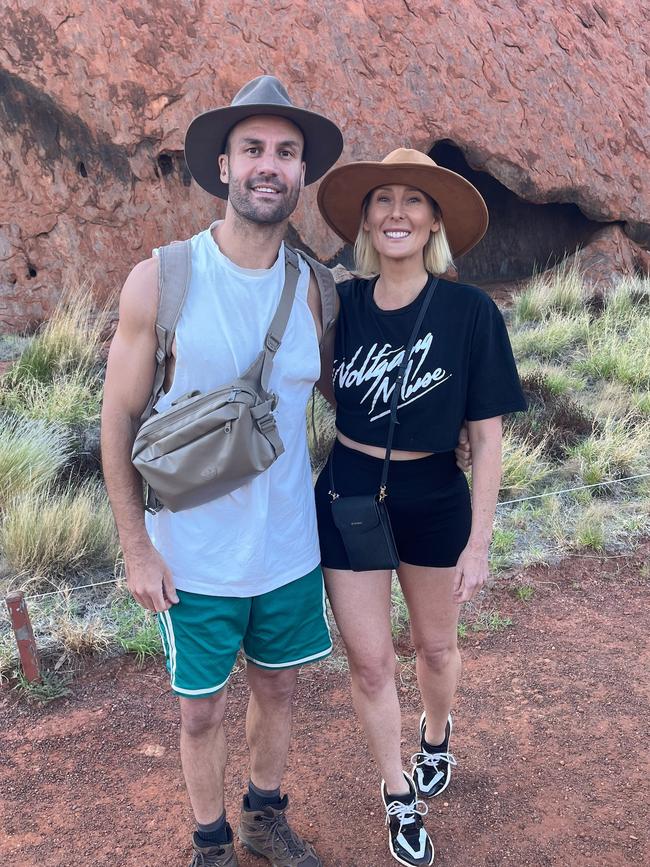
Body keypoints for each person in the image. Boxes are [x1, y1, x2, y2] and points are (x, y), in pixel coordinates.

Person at [101, 75, 344, 867]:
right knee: (199, 711)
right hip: (190, 552)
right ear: (225, 166)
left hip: (286, 548)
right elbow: (118, 417)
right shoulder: (164, 278)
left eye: (285, 152)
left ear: (301, 173)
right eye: (253, 150)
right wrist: (136, 546)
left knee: (278, 688)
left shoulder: (315, 290)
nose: (269, 165)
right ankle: (210, 841)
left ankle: (263, 817)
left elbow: (347, 396)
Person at [314, 148, 527, 866]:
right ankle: (397, 789)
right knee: (371, 662)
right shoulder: (340, 304)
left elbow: (488, 440)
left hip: (435, 496)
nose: (397, 212)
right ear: (366, 222)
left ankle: (437, 732)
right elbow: (318, 383)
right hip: (348, 493)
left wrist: (480, 541)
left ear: (434, 219)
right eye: (383, 200)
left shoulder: (471, 312)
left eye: (413, 200)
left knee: (434, 647)